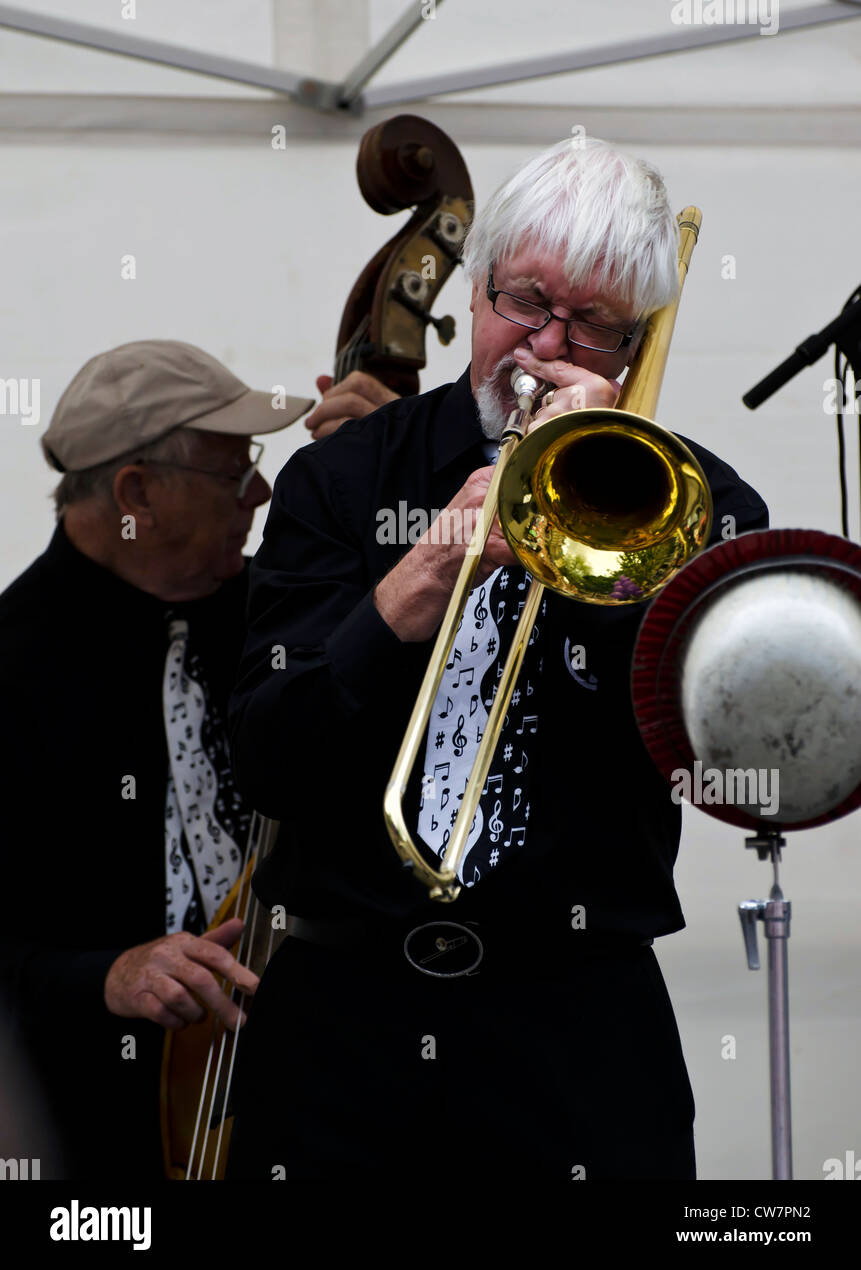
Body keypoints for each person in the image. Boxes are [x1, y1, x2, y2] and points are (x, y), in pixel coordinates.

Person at [226, 137, 769, 1183]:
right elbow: (267, 758)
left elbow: (721, 756)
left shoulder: (701, 503)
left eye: (592, 326)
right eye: (525, 302)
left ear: (635, 344)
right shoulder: (339, 485)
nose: (543, 345)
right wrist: (414, 585)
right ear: (476, 293)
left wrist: (615, 552)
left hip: (579, 1019)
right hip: (347, 1019)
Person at [0, 339, 315, 1179]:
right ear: (137, 493)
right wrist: (105, 976)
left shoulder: (277, 616)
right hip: (97, 1139)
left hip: (300, 1106)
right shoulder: (11, 668)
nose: (261, 492)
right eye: (232, 472)